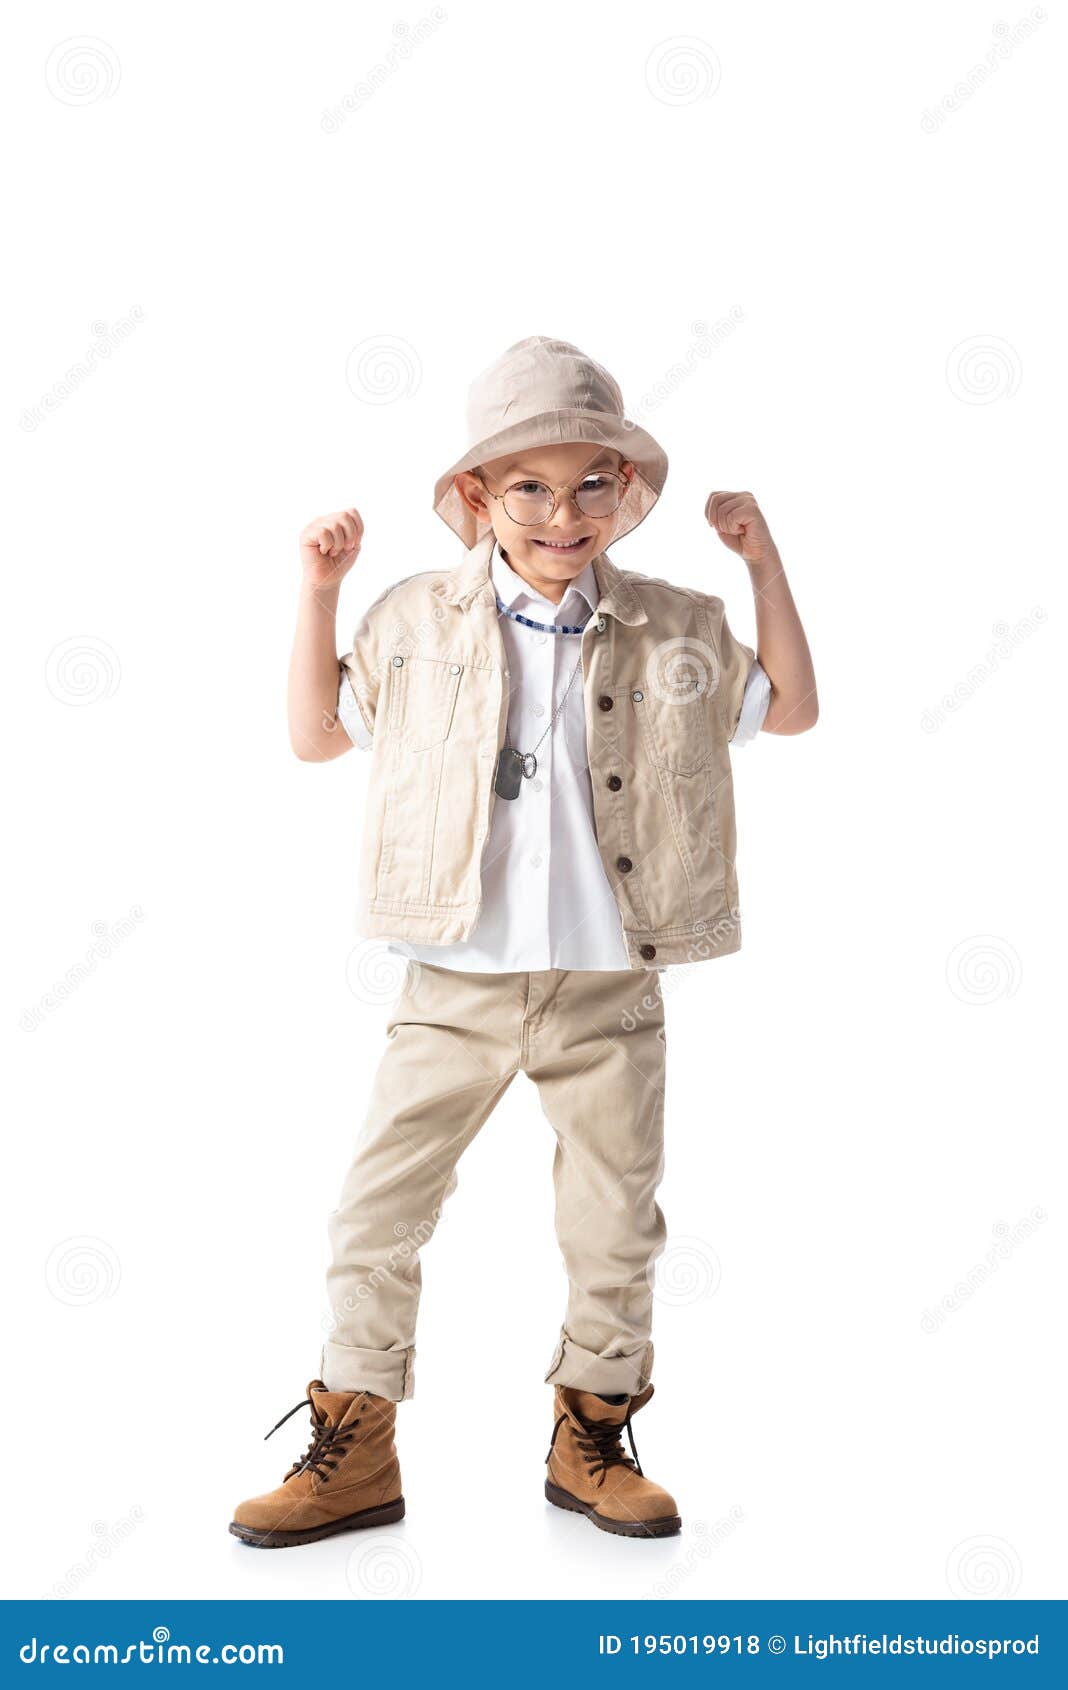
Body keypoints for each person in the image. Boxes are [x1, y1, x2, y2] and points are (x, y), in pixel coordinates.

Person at [230, 336, 817, 1547]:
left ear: (625, 491)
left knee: (614, 1215)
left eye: (591, 483)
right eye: (530, 488)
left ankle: (591, 1437)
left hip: (610, 980)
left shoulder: (676, 622)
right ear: (478, 499)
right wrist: (319, 591)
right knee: (377, 1209)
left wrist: (764, 564)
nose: (563, 513)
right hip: (455, 978)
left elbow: (793, 708)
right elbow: (313, 735)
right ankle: (355, 1446)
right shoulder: (414, 620)